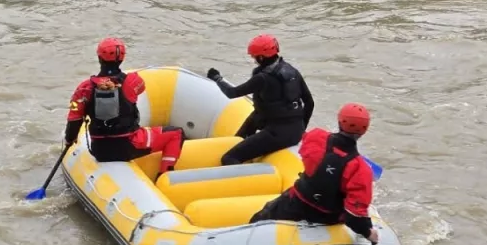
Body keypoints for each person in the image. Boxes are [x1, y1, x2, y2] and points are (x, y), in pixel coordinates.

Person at [248, 103, 378, 243]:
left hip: (297, 203)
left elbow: (306, 154)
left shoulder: (316, 137)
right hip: (328, 217)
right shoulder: (361, 169)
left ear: (339, 121)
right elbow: (355, 218)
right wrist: (369, 233)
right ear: (364, 131)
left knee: (258, 220)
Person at [66, 37, 185, 176]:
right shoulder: (133, 81)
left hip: (99, 150)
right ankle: (164, 174)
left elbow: (73, 118)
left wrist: (69, 139)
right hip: (129, 145)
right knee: (177, 133)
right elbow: (141, 89)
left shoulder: (84, 88)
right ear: (122, 59)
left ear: (99, 58)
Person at [206, 34, 314, 165]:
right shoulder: (292, 71)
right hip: (295, 130)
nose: (254, 60)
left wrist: (217, 78)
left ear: (261, 57)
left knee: (229, 158)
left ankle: (243, 182)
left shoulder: (262, 78)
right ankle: (240, 142)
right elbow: (309, 102)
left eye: (254, 57)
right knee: (249, 125)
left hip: (278, 134)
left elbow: (232, 93)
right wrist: (302, 130)